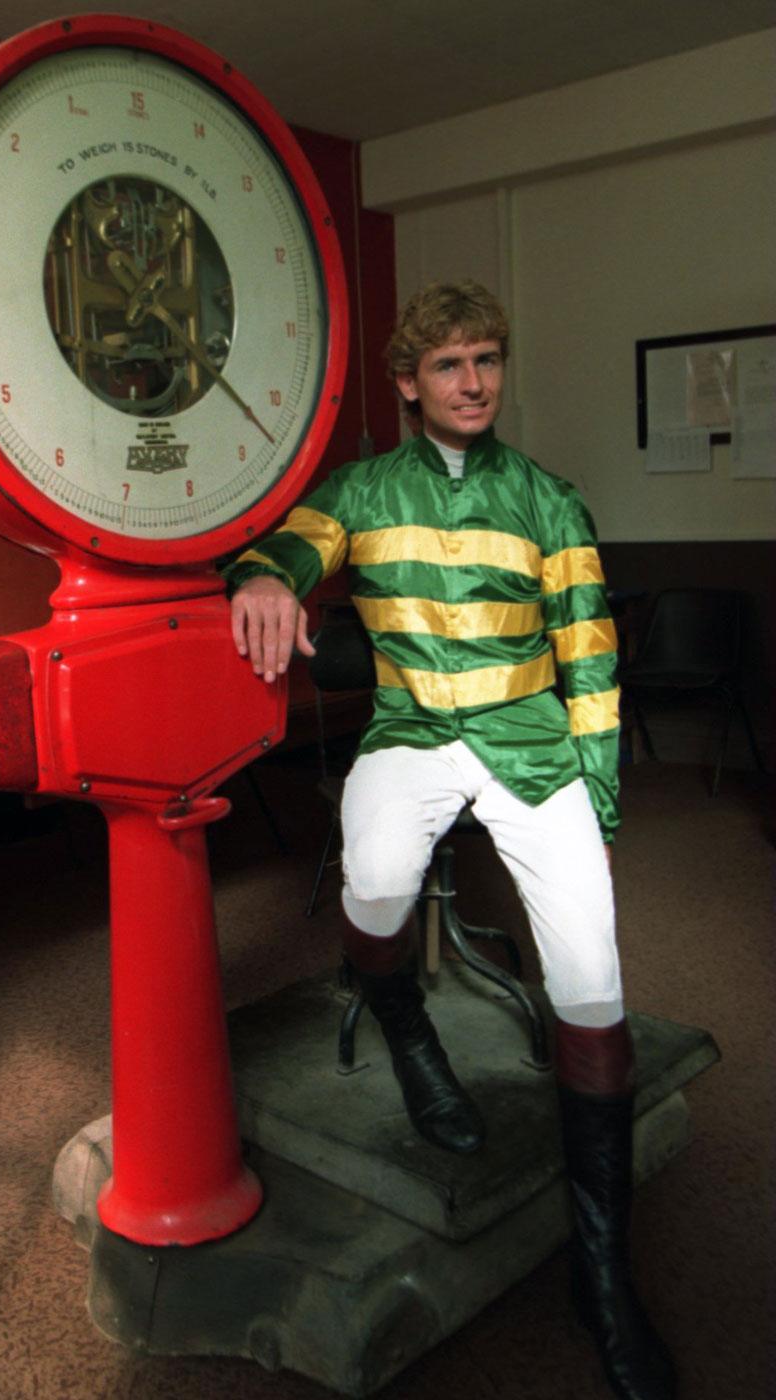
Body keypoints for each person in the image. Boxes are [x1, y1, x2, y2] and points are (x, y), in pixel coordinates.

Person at [224, 282, 674, 1400]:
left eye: (486, 361)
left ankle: (603, 1269)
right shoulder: (366, 487)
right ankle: (403, 1020)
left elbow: (592, 658)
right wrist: (264, 577)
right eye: (449, 366)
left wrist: (596, 809)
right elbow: (290, 543)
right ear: (408, 384)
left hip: (535, 751)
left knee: (592, 981)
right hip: (411, 734)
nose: (473, 382)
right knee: (371, 890)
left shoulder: (548, 498)